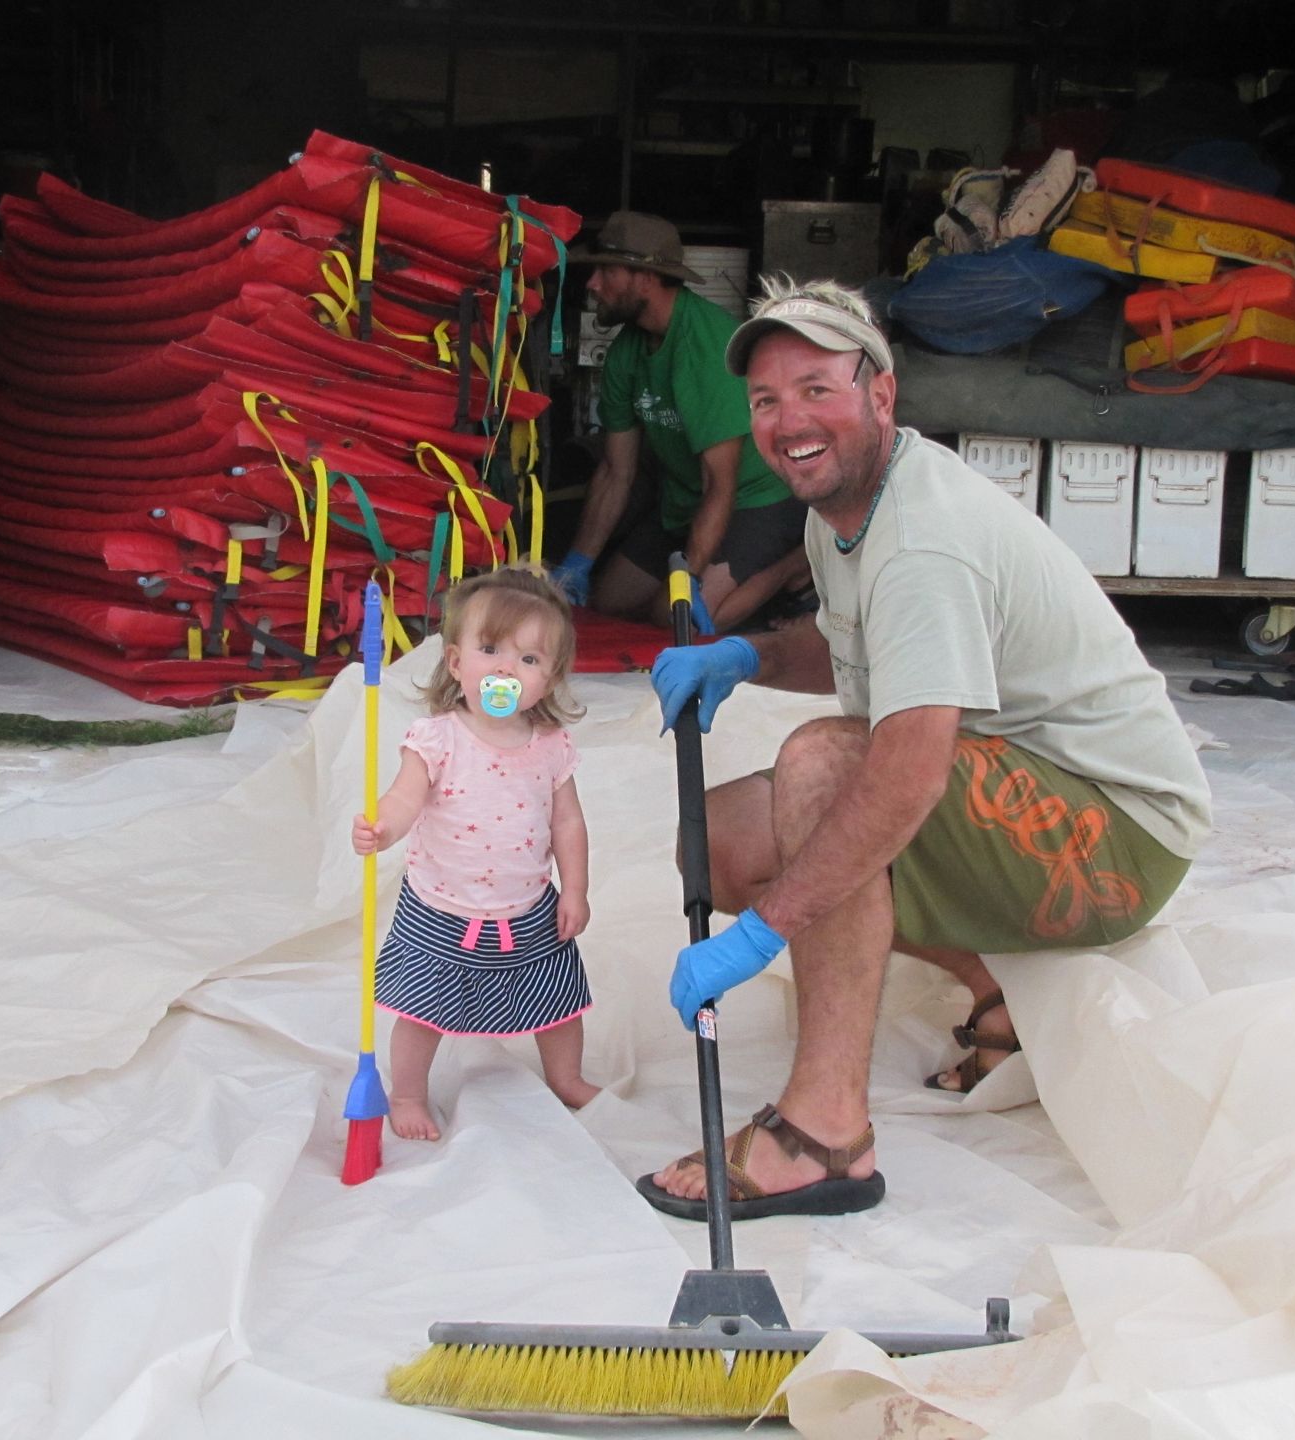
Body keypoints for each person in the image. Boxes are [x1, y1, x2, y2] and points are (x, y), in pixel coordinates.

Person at [637, 276, 1213, 1220]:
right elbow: (870, 647)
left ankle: (824, 1132)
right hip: (1032, 795)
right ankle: (997, 996)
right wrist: (746, 656)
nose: (788, 422)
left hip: (1119, 835)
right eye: (767, 400)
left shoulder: (921, 541)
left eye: (816, 389)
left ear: (881, 393)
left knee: (828, 765)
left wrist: (766, 928)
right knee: (732, 837)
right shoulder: (845, 510)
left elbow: (906, 773)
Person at [352, 567, 599, 1141]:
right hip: (441, 908)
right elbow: (405, 798)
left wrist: (577, 888)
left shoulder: (551, 746)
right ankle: (407, 1093)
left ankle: (567, 1077)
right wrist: (382, 829)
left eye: (528, 659)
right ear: (456, 662)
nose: (506, 670)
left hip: (529, 906)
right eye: (490, 650)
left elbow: (568, 821)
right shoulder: (437, 738)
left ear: (549, 679)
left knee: (557, 998)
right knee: (422, 1009)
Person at [551, 211, 811, 634]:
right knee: (607, 603)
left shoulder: (708, 348)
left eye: (606, 270)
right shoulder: (626, 352)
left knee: (677, 619)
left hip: (754, 500)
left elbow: (719, 484)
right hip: (685, 501)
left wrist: (688, 578)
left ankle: (794, 566)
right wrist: (576, 565)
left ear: (645, 278)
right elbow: (616, 471)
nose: (593, 283)